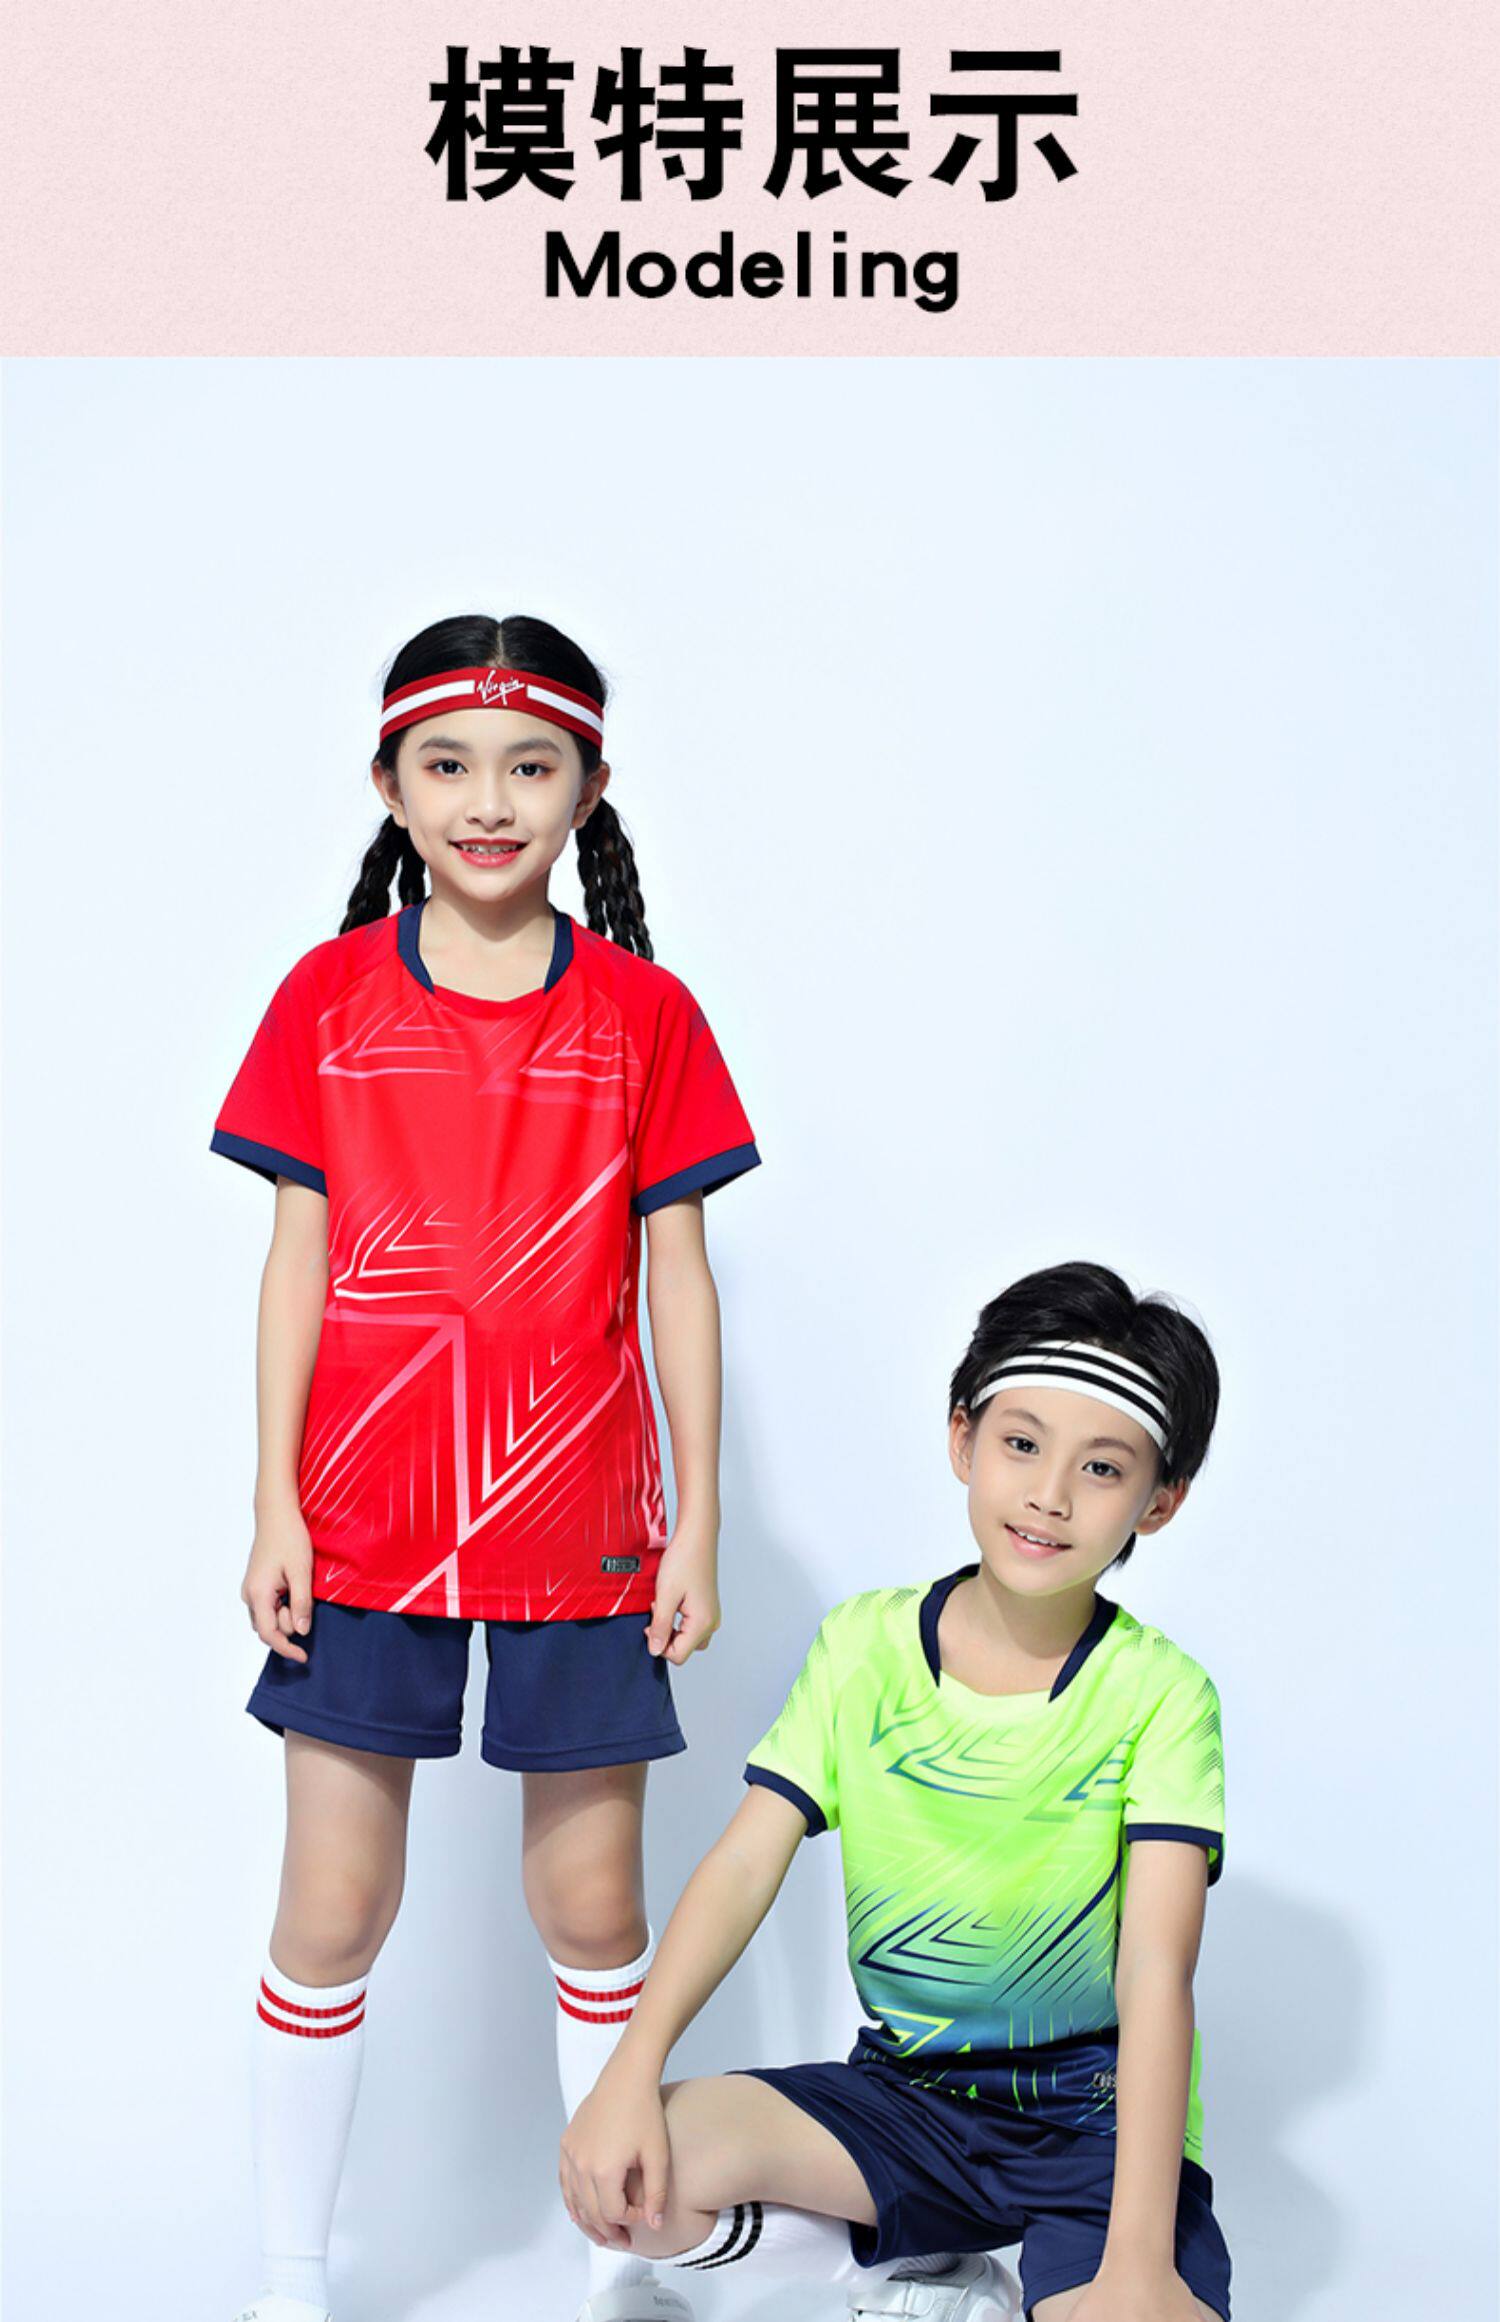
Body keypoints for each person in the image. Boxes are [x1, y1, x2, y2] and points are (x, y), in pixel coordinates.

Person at [209, 611, 761, 2322]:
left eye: (532, 766)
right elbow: (297, 1260)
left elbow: (679, 1279)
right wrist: (275, 1498)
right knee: (330, 1904)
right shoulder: (324, 1000)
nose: (489, 800)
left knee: (593, 1903)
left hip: (580, 1518)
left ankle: (616, 2265)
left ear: (590, 788)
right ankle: (293, 2275)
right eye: (448, 764)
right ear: (391, 784)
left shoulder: (648, 1016)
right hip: (363, 1519)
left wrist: (697, 1522)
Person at [560, 1261, 1233, 2322]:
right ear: (963, 1439)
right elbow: (743, 1864)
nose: (1050, 1496)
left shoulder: (1162, 1695)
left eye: (1102, 1468)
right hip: (908, 2101)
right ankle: (919, 2281)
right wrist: (627, 2072)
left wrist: (1139, 2265)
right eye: (1022, 1445)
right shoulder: (864, 1647)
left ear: (1161, 1500)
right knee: (643, 2175)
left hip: (1096, 2130)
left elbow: (1155, 1968)